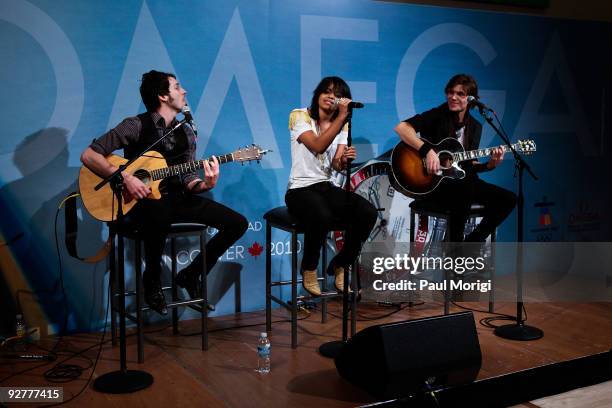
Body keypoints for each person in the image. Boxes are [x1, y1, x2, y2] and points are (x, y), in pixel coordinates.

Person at [81, 70, 247, 315]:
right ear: (163, 96)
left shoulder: (187, 132)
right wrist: (125, 178)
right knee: (158, 210)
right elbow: (89, 155)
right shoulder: (135, 125)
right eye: (177, 87)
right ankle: (152, 282)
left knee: (237, 223)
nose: (184, 91)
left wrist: (205, 185)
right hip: (139, 204)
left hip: (176, 199)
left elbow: (188, 177)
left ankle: (191, 275)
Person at [394, 73, 516, 243]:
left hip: (463, 182)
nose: (453, 97)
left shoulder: (475, 126)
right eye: (450, 92)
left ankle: (472, 244)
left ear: (471, 99)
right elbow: (401, 128)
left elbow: (469, 164)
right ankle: (455, 257)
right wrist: (427, 151)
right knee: (464, 190)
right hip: (434, 183)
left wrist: (490, 165)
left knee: (508, 198)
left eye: (460, 94)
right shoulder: (437, 115)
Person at [286, 76, 377, 296]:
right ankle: (309, 267)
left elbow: (336, 165)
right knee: (322, 216)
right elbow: (317, 146)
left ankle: (341, 262)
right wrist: (342, 116)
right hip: (300, 189)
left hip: (325, 187)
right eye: (326, 91)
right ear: (317, 94)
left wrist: (345, 159)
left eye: (337, 94)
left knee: (367, 212)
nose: (330, 97)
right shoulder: (299, 115)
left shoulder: (341, 124)